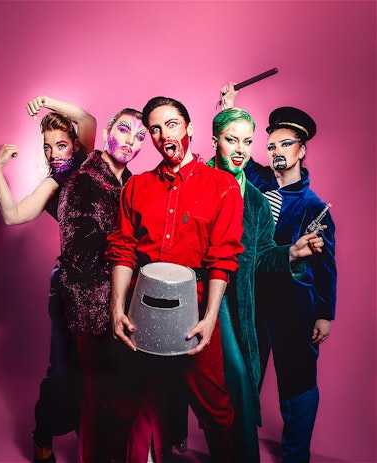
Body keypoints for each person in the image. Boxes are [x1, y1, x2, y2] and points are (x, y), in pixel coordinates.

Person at [105, 96, 244, 463]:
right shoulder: (136, 187)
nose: (162, 133)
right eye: (154, 128)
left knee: (215, 407)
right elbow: (122, 250)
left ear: (189, 129)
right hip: (141, 308)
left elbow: (223, 259)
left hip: (194, 310)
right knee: (122, 401)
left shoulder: (223, 186)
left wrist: (210, 318)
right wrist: (117, 308)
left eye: (171, 123)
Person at [221, 83, 337, 463]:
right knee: (242, 378)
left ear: (302, 150)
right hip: (252, 304)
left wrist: (324, 313)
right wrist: (228, 107)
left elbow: (326, 266)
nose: (276, 152)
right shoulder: (255, 181)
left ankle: (295, 457)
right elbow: (231, 155)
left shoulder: (313, 206)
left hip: (293, 309)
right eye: (270, 146)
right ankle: (237, 451)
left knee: (297, 382)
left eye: (285, 144)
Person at [0, 95, 96, 463]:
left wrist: (47, 102)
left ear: (77, 143)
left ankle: (91, 434)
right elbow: (12, 215)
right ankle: (42, 435)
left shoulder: (93, 165)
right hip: (68, 285)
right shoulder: (54, 182)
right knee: (63, 369)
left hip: (105, 282)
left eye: (61, 144)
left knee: (98, 367)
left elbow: (85, 116)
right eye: (47, 147)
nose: (53, 153)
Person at [57, 108, 147, 463]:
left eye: (140, 136)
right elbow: (77, 257)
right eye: (124, 130)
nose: (130, 140)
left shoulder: (132, 185)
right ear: (108, 130)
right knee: (98, 402)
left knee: (123, 401)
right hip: (94, 311)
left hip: (126, 310)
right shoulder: (83, 182)